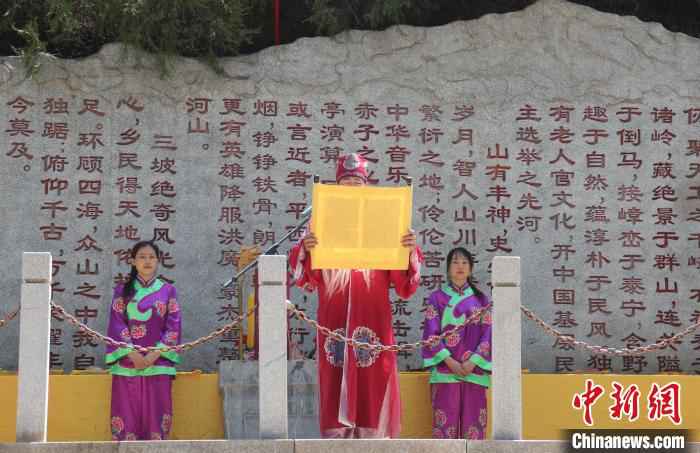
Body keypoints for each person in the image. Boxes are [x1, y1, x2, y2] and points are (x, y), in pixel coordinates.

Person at [289, 153, 423, 438]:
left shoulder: (384, 221)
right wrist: (308, 247)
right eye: (346, 180)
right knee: (335, 376)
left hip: (373, 318)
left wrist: (408, 248)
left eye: (357, 181)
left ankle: (374, 439)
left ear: (366, 185)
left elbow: (403, 284)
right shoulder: (320, 222)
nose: (351, 185)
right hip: (334, 318)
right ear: (337, 186)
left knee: (373, 378)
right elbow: (306, 279)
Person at [105, 241, 181, 441]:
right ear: (132, 261)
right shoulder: (122, 290)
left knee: (157, 420)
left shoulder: (168, 291)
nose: (147, 261)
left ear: (157, 261)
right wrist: (133, 354)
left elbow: (173, 325)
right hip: (128, 363)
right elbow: (117, 324)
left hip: (158, 363)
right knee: (126, 420)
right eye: (142, 257)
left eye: (151, 257)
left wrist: (154, 355)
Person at [421, 247, 492, 439]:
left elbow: (488, 334)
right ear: (447, 268)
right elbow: (431, 334)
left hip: (474, 372)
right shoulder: (436, 298)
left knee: (474, 428)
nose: (459, 266)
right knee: (445, 429)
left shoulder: (481, 299)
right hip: (445, 372)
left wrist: (472, 362)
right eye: (455, 262)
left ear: (470, 269)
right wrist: (450, 362)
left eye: (464, 263)